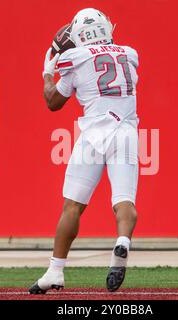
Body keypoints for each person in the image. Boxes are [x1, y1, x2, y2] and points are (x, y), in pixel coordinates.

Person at [30, 8, 140, 294]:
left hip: (93, 136)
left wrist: (47, 74)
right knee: (124, 201)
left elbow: (53, 102)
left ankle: (55, 271)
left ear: (78, 36)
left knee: (73, 205)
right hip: (126, 132)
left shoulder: (75, 59)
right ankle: (123, 242)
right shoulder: (130, 54)